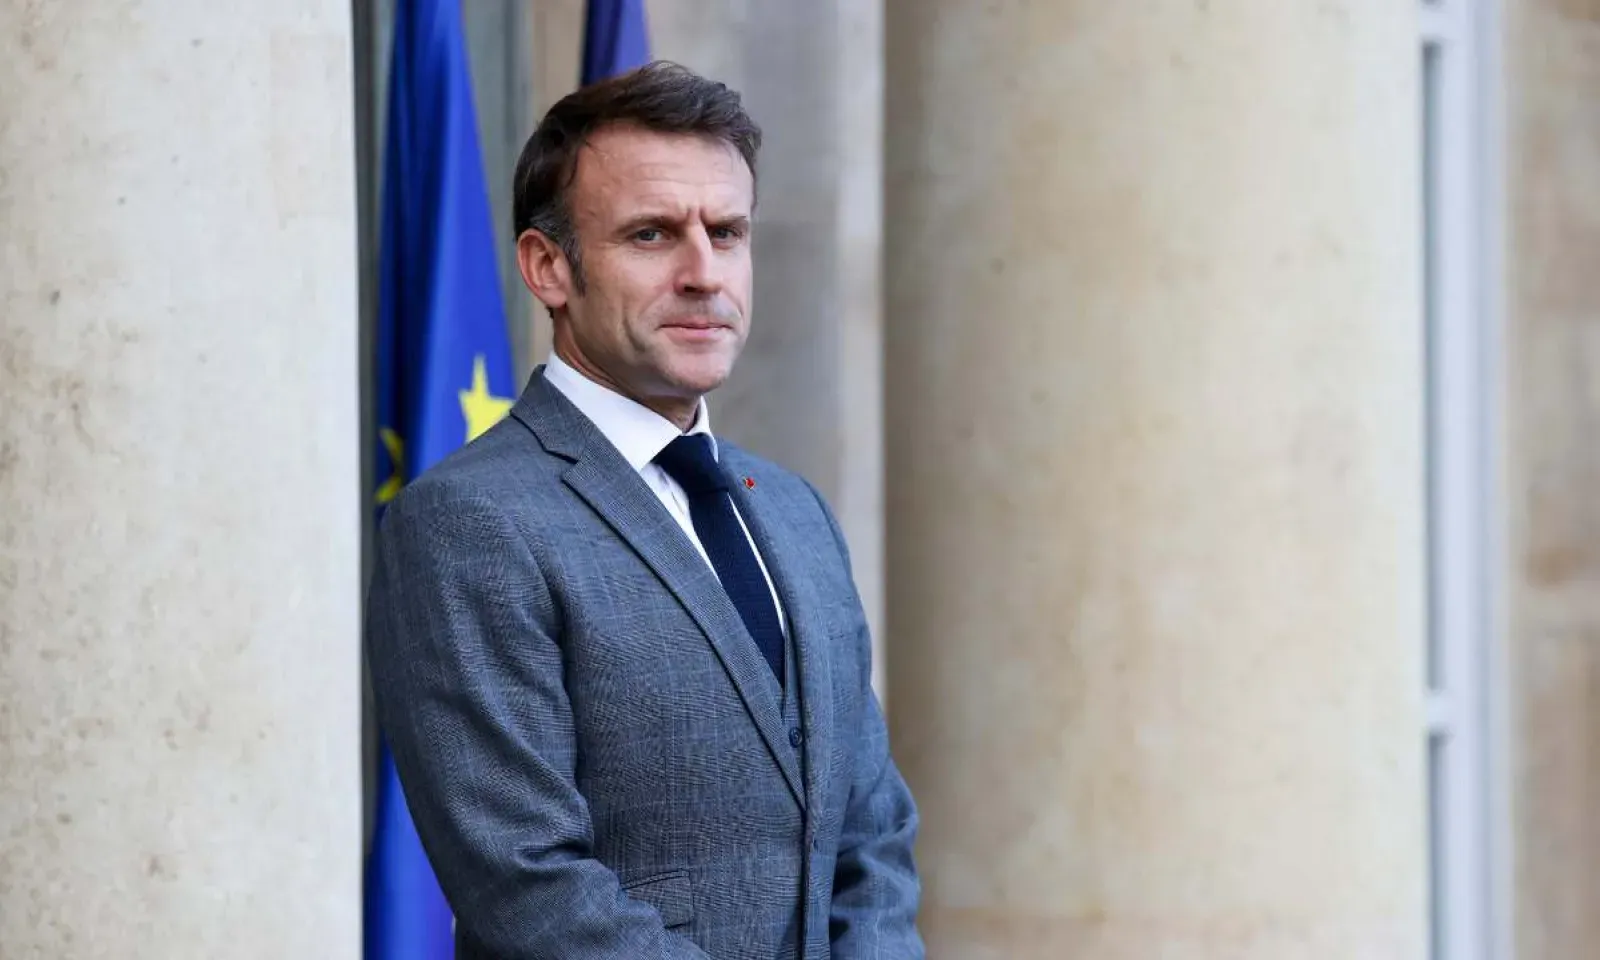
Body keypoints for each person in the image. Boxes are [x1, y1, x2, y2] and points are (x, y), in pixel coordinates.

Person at [365, 61, 923, 959]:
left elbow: (874, 837)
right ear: (549, 267)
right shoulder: (467, 524)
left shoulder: (796, 511)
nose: (705, 274)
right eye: (653, 234)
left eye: (727, 232)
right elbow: (529, 884)